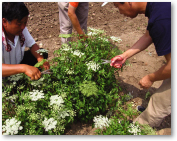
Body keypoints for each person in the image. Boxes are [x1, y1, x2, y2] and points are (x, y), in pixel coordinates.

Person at [111, 2, 171, 127]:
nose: (120, 12)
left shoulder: (161, 19)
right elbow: (148, 36)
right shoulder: (156, 7)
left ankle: (138, 128)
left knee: (159, 102)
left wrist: (151, 78)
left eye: (118, 6)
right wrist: (124, 56)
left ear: (129, 2)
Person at [2, 2, 50, 81]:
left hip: (17, 65)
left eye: (25, 22)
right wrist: (23, 68)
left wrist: (41, 60)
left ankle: (26, 79)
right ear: (4, 22)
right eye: (19, 23)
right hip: (4, 74)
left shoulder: (21, 29)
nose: (23, 27)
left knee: (41, 53)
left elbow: (32, 45)